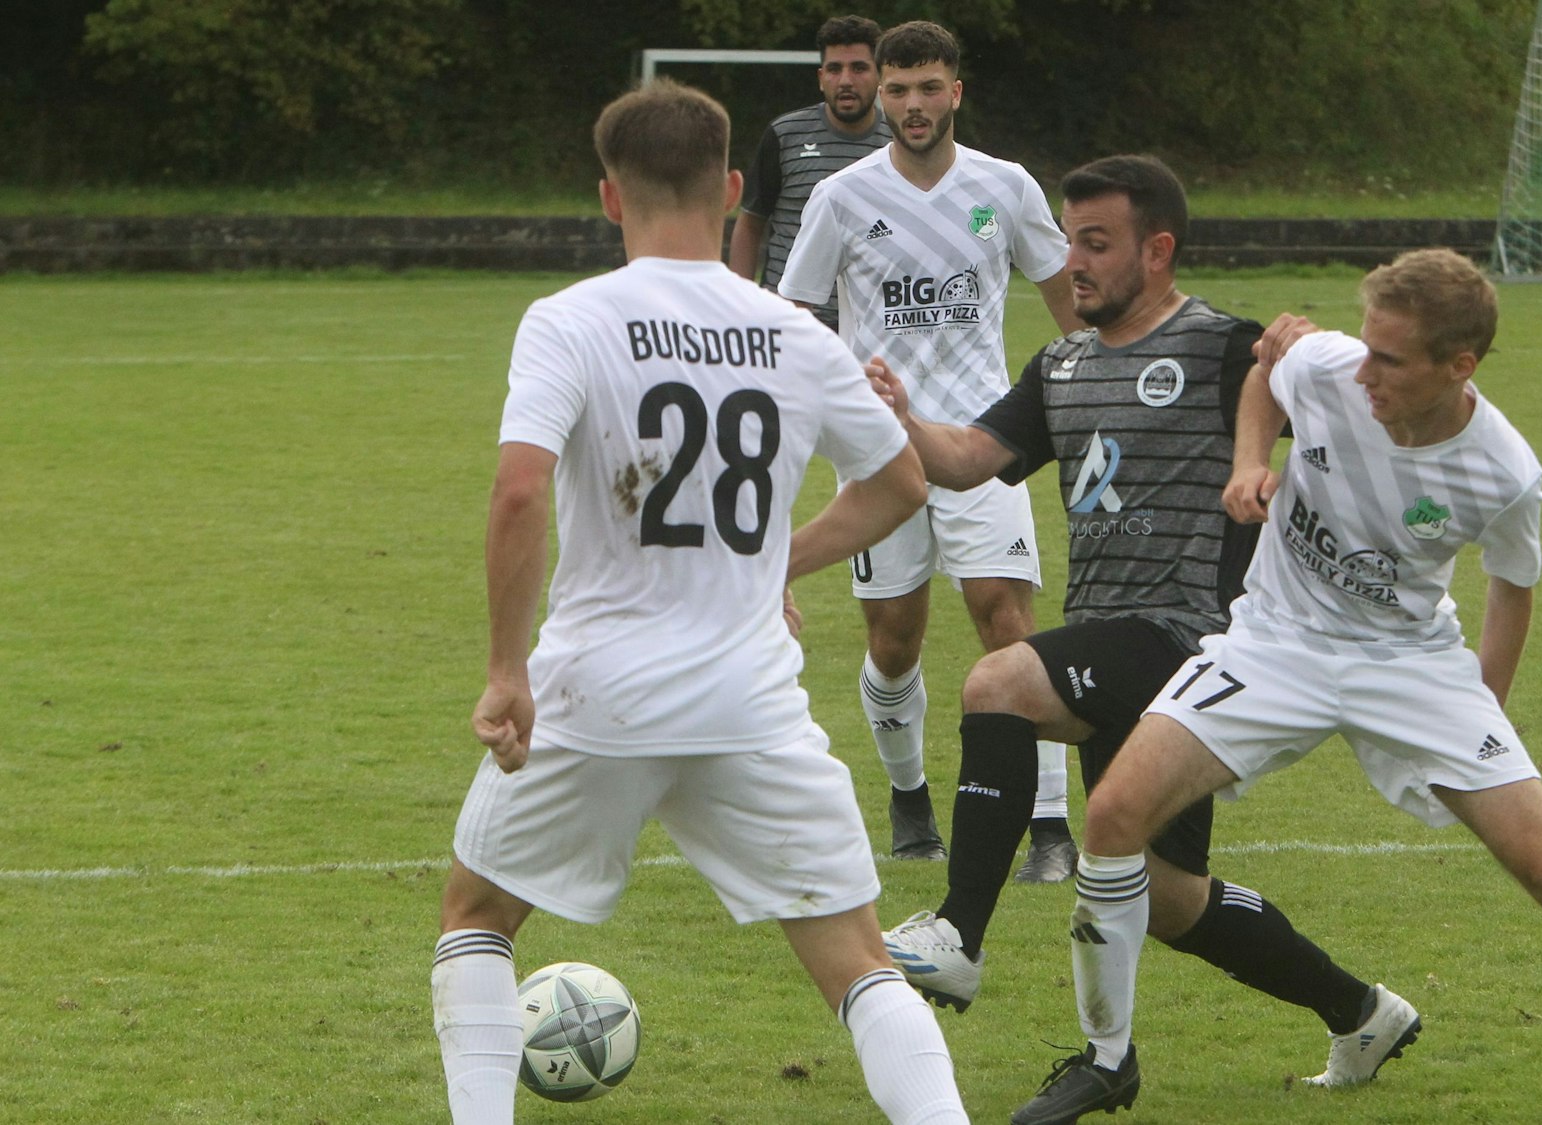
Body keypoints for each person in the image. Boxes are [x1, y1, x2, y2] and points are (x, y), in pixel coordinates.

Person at [1016, 249, 1542, 1125]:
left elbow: (1513, 588)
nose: (1366, 371)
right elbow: (1268, 374)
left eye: (1391, 360)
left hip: (1411, 663)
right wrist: (1246, 462)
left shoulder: (1504, 471)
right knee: (1113, 814)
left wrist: (1483, 712)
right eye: (1366, 347)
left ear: (1457, 366)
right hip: (1275, 641)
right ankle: (1108, 1061)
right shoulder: (1330, 365)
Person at [428, 78, 968, 1125]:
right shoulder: (791, 333)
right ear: (730, 189)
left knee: (476, 917)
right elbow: (902, 483)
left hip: (599, 691)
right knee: (858, 964)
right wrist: (772, 567)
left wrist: (504, 669)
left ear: (606, 197)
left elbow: (519, 487)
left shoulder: (569, 318)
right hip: (749, 700)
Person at [870, 154, 1421, 1096]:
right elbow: (965, 462)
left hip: (1192, 637)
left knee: (996, 680)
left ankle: (958, 934)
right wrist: (906, 417)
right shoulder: (1062, 365)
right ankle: (1364, 1013)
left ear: (1157, 250)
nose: (1072, 262)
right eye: (1066, 240)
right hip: (1108, 643)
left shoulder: (1219, 348)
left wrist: (1309, 370)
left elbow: (1364, 408)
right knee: (1165, 898)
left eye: (1096, 243)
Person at [780, 20, 1086, 869]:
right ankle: (911, 802)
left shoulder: (1007, 187)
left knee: (1009, 624)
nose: (912, 105)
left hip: (987, 440)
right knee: (894, 642)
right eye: (897, 89)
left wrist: (1093, 398)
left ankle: (1052, 825)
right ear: (880, 94)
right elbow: (798, 318)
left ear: (956, 91)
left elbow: (1068, 304)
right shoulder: (842, 197)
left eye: (927, 88)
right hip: (880, 455)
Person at [727, 15, 892, 331]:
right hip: (786, 323)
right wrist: (740, 307)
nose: (845, 80)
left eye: (858, 68)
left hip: (868, 329)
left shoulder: (898, 143)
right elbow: (750, 225)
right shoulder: (784, 135)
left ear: (879, 75)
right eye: (834, 69)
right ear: (820, 77)